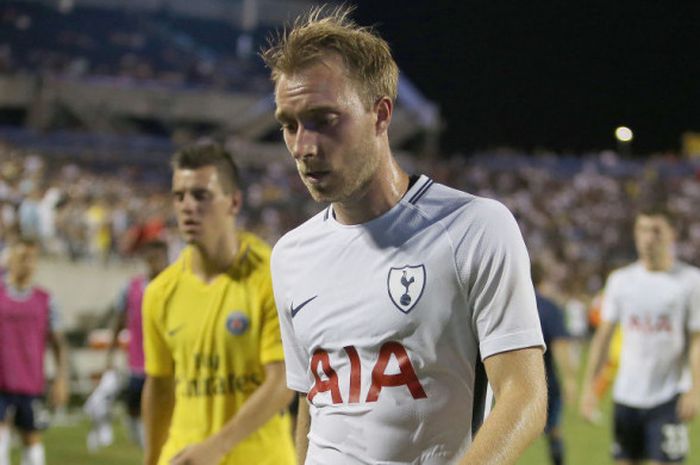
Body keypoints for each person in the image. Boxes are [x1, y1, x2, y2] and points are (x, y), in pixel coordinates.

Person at [262, 6, 547, 465]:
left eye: (324, 119)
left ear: (380, 115)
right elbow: (312, 400)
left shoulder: (474, 229)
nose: (303, 147)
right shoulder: (290, 255)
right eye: (289, 124)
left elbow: (523, 396)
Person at [141, 142, 295, 465]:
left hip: (258, 458)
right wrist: (152, 459)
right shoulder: (160, 292)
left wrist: (217, 447)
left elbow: (282, 382)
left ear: (234, 202)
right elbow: (160, 388)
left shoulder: (269, 276)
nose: (187, 206)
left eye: (201, 195)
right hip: (183, 456)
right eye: (179, 196)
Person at [580, 207, 700, 464]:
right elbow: (602, 339)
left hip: (668, 397)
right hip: (626, 398)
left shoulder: (690, 281)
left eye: (656, 231)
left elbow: (696, 342)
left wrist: (695, 390)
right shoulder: (620, 281)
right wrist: (590, 388)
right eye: (643, 230)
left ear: (672, 235)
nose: (648, 238)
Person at [0, 237, 69, 465]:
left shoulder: (46, 300)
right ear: (10, 260)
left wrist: (60, 380)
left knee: (31, 438)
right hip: (1, 382)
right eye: (22, 257)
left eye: (31, 258)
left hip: (29, 382)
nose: (27, 263)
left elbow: (58, 344)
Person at [105, 240, 169, 447]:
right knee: (133, 404)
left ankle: (157, 442)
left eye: (158, 257)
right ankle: (142, 440)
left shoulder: (175, 285)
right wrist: (110, 354)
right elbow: (118, 321)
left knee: (165, 405)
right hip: (138, 360)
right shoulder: (131, 287)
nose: (154, 262)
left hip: (169, 361)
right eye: (150, 257)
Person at [532, 264, 577, 465]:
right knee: (554, 431)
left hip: (505, 381)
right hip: (545, 382)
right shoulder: (549, 308)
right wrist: (569, 379)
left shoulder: (508, 304)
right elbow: (560, 346)